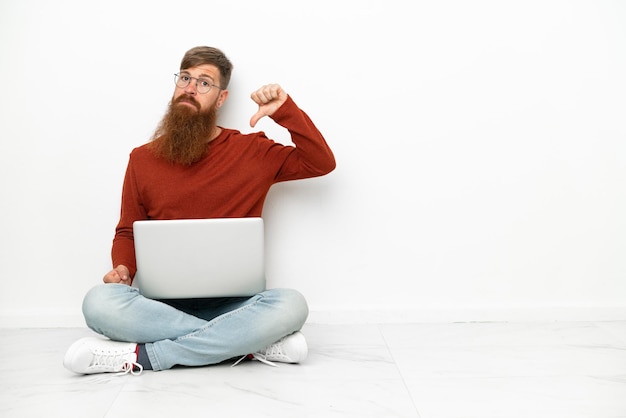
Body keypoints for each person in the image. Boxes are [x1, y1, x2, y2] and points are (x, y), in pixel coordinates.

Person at [63, 46, 335, 375]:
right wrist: (122, 269)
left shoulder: (253, 151)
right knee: (98, 303)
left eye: (204, 82)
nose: (190, 88)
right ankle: (250, 346)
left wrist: (285, 112)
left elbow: (320, 162)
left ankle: (144, 357)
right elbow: (126, 231)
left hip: (236, 305)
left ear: (221, 99)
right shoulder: (142, 159)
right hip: (159, 307)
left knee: (291, 305)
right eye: (185, 78)